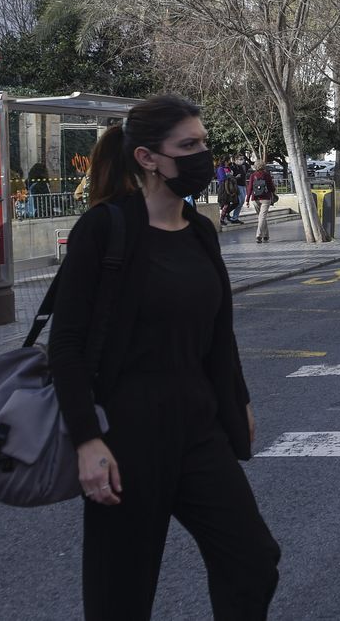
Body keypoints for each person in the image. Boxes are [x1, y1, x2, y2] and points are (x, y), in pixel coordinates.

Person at [47, 95, 279, 620]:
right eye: (188, 145)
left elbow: (219, 332)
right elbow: (65, 345)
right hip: (125, 438)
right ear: (149, 158)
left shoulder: (200, 232)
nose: (202, 154)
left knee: (252, 561)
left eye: (204, 142)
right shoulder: (105, 230)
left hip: (198, 432)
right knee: (121, 596)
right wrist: (86, 441)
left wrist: (237, 399)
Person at [246, 160, 276, 244]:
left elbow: (250, 188)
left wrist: (247, 200)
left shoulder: (253, 175)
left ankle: (266, 235)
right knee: (262, 217)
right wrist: (273, 192)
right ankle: (259, 235)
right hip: (266, 198)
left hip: (255, 198)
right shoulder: (266, 175)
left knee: (261, 217)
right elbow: (271, 187)